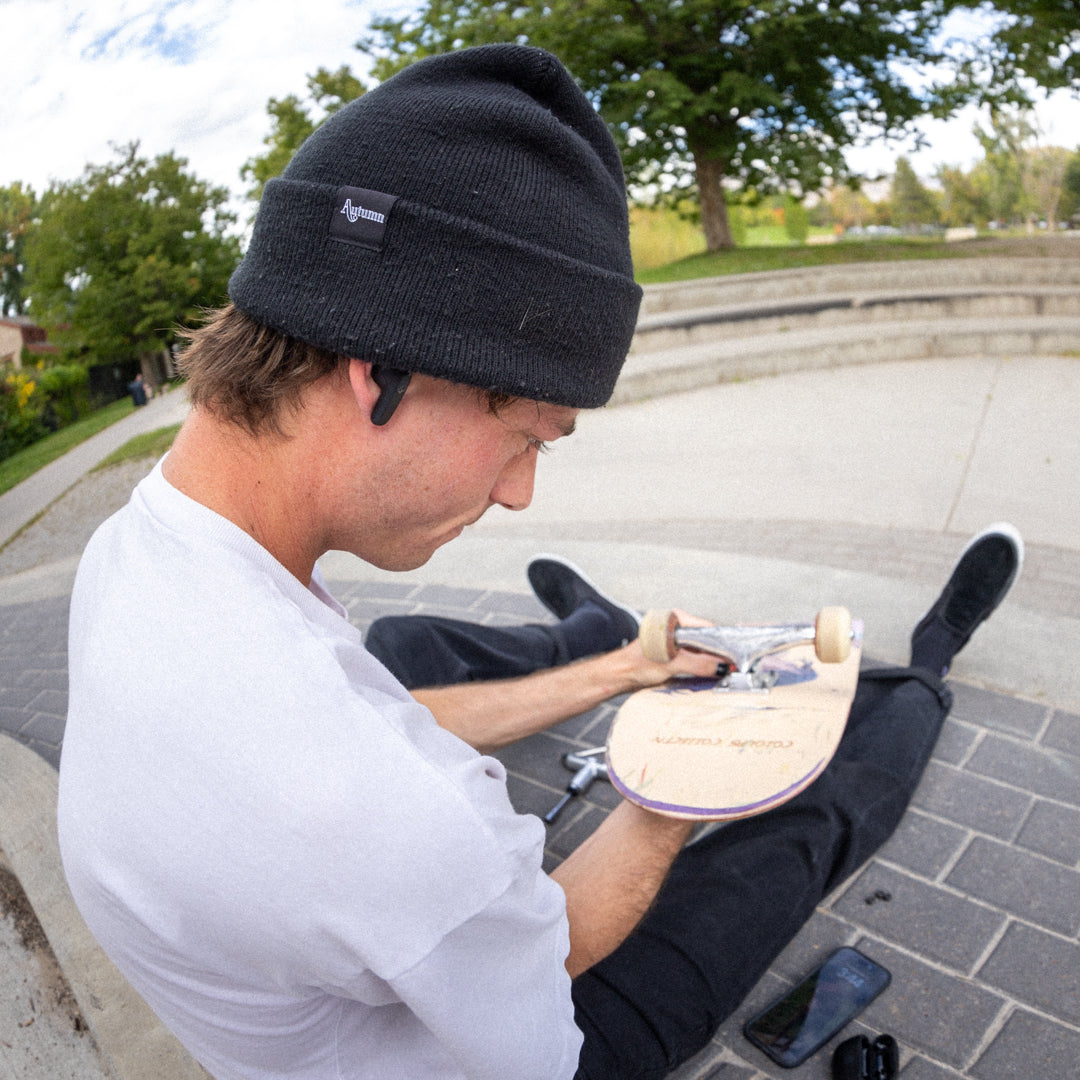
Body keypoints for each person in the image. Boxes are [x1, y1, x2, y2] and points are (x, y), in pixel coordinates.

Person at [54, 40, 1024, 1080]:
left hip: (328, 938)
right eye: (529, 436)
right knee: (788, 838)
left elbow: (383, 723)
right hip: (537, 1045)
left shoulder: (143, 549)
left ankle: (594, 639)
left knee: (398, 647)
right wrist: (676, 777)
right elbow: (553, 945)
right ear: (382, 368)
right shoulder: (370, 802)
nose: (520, 491)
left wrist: (625, 676)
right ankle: (930, 663)